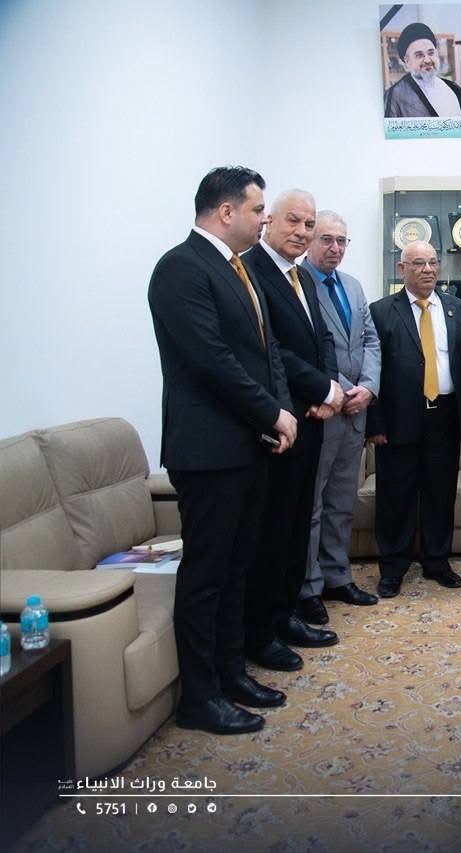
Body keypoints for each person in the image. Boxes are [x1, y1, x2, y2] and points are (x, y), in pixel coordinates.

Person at [148, 166, 297, 735]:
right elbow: (213, 359)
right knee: (207, 575)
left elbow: (266, 351)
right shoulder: (181, 268)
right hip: (208, 451)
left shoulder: (238, 268)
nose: (265, 219)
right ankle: (200, 696)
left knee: (239, 569)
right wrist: (272, 413)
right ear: (226, 211)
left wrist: (278, 411)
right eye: (259, 210)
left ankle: (232, 674)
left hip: (247, 446)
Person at [242, 190, 344, 672]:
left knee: (296, 527)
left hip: (313, 418)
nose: (302, 232)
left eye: (308, 224)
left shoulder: (301, 274)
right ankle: (261, 633)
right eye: (293, 221)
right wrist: (322, 388)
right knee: (273, 532)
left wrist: (329, 394)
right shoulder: (251, 271)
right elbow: (272, 349)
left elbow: (322, 339)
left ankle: (285, 617)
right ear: (269, 222)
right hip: (278, 425)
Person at [366, 241, 461, 598]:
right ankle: (393, 567)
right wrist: (375, 423)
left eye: (433, 262)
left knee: (440, 492)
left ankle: (437, 561)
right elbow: (370, 369)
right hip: (398, 418)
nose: (428, 270)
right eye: (419, 263)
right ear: (402, 269)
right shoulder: (380, 312)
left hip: (445, 416)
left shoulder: (458, 309)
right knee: (395, 496)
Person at [298, 210, 381, 622]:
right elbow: (303, 350)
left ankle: (337, 577)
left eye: (342, 241)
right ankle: (308, 587)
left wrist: (369, 387)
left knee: (342, 502)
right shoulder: (296, 283)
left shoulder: (352, 285)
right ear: (310, 240)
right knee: (311, 505)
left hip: (356, 411)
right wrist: (342, 390)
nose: (335, 248)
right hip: (321, 410)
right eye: (327, 239)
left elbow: (371, 341)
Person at [384, 22, 461, 118]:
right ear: (407, 61)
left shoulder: (454, 89)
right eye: (419, 55)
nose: (427, 60)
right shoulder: (394, 96)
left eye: (431, 53)